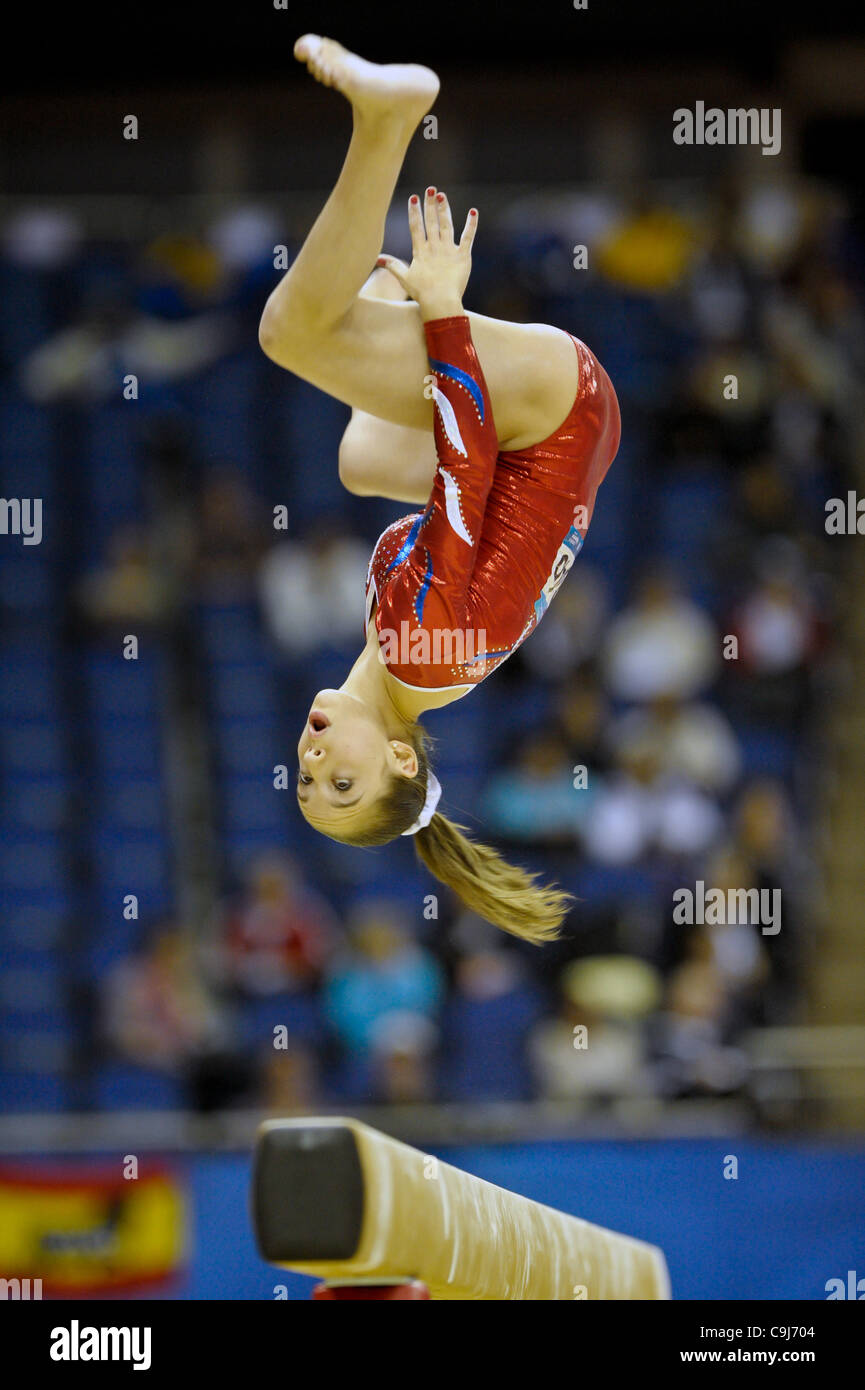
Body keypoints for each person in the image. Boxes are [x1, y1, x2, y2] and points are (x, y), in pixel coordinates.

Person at [258, 36, 620, 942]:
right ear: (395, 758)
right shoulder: (420, 651)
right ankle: (389, 119)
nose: (313, 763)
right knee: (292, 335)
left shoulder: (404, 660)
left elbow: (462, 504)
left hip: (558, 452)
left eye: (307, 782)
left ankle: (363, 312)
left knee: (359, 461)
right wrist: (443, 310)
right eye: (343, 781)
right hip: (550, 415)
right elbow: (463, 477)